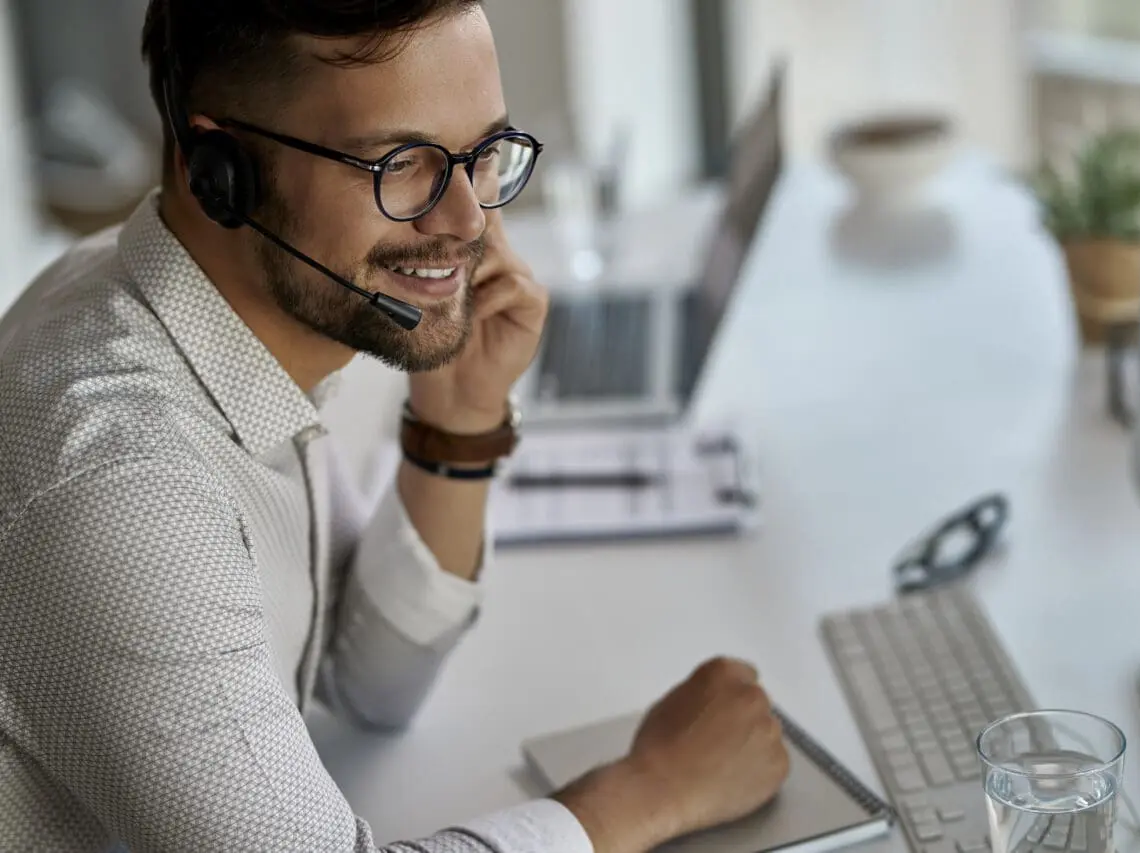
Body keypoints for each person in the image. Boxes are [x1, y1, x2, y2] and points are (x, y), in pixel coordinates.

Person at [0, 1, 790, 851]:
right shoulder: (127, 494)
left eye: (482, 153)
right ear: (216, 170)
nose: (469, 220)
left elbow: (363, 680)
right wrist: (646, 794)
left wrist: (459, 423)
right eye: (400, 164)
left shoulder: (212, 319)